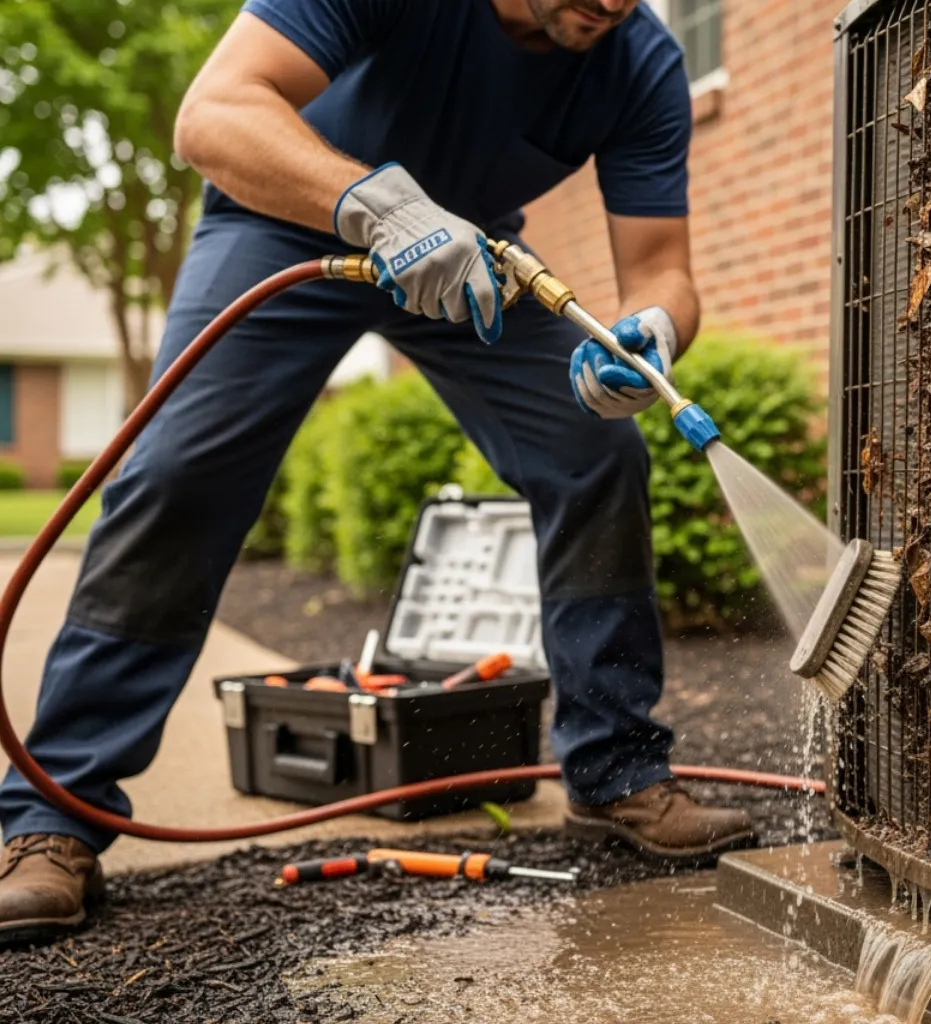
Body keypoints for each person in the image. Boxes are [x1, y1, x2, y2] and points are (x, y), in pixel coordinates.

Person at [0, 0, 754, 946]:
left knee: (596, 448)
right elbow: (215, 113)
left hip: (469, 260)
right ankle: (55, 813)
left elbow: (662, 269)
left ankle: (614, 773)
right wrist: (383, 207)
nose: (607, 5)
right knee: (179, 475)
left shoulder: (637, 61)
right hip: (283, 225)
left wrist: (653, 331)